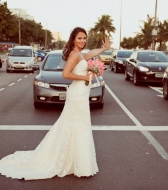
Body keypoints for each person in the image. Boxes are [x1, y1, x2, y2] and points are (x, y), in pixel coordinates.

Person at [0, 27, 111, 180]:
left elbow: (90, 54)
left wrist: (103, 49)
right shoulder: (74, 54)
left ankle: (77, 162)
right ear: (73, 39)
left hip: (81, 93)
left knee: (77, 126)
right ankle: (78, 163)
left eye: (84, 38)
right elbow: (66, 74)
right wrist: (86, 78)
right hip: (77, 94)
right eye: (79, 38)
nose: (82, 41)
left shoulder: (79, 54)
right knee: (79, 126)